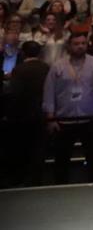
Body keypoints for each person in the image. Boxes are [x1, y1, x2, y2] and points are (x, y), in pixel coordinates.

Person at [43, 31, 93, 183]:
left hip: (91, 118)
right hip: (65, 119)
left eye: (83, 44)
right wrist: (50, 118)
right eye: (76, 44)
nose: (80, 47)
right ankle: (60, 189)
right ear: (69, 46)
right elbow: (49, 91)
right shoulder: (57, 66)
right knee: (61, 161)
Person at [6, 40, 49, 186]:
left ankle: (22, 179)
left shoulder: (19, 69)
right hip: (42, 113)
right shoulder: (46, 67)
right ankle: (37, 178)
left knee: (23, 148)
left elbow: (15, 93)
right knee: (39, 147)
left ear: (23, 53)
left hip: (22, 114)